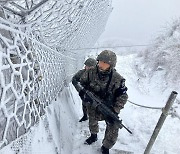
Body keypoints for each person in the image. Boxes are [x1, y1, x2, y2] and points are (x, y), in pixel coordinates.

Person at [79, 50, 128, 154]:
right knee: (92, 120)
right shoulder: (90, 72)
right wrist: (84, 95)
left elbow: (123, 96)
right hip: (93, 105)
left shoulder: (118, 79)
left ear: (111, 65)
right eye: (100, 61)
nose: (101, 65)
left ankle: (106, 147)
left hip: (109, 107)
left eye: (105, 63)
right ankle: (93, 136)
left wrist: (115, 110)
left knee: (113, 126)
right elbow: (82, 83)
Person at [72, 58, 97, 122]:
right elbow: (74, 80)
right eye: (87, 66)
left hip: (95, 94)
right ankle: (85, 116)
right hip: (84, 92)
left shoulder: (97, 74)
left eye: (90, 66)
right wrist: (80, 90)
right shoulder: (81, 73)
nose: (87, 67)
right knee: (85, 104)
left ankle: (94, 119)